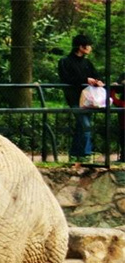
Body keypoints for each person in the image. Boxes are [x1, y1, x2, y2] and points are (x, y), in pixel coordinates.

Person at [58, 34, 103, 169]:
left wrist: (97, 81)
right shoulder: (65, 61)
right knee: (85, 126)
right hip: (74, 98)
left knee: (81, 127)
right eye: (88, 45)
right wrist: (85, 79)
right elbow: (66, 78)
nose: (90, 48)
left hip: (88, 99)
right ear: (81, 47)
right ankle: (85, 155)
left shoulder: (87, 63)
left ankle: (75, 155)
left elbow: (96, 75)